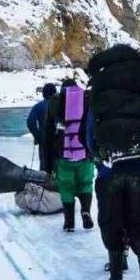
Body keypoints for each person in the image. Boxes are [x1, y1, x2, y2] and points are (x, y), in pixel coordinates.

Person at [86, 45, 140, 280]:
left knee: (111, 222)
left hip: (109, 171)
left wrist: (97, 156)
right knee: (137, 222)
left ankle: (116, 277)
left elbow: (88, 136)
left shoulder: (101, 98)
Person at [43, 78, 95, 232]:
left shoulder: (54, 102)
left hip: (63, 155)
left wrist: (48, 165)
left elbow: (48, 135)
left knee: (66, 187)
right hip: (85, 153)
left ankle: (69, 222)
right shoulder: (88, 99)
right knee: (86, 183)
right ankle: (86, 211)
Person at [26, 83, 57, 167]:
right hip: (59, 140)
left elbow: (30, 121)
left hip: (44, 140)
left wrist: (38, 136)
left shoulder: (38, 106)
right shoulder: (61, 105)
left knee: (45, 166)